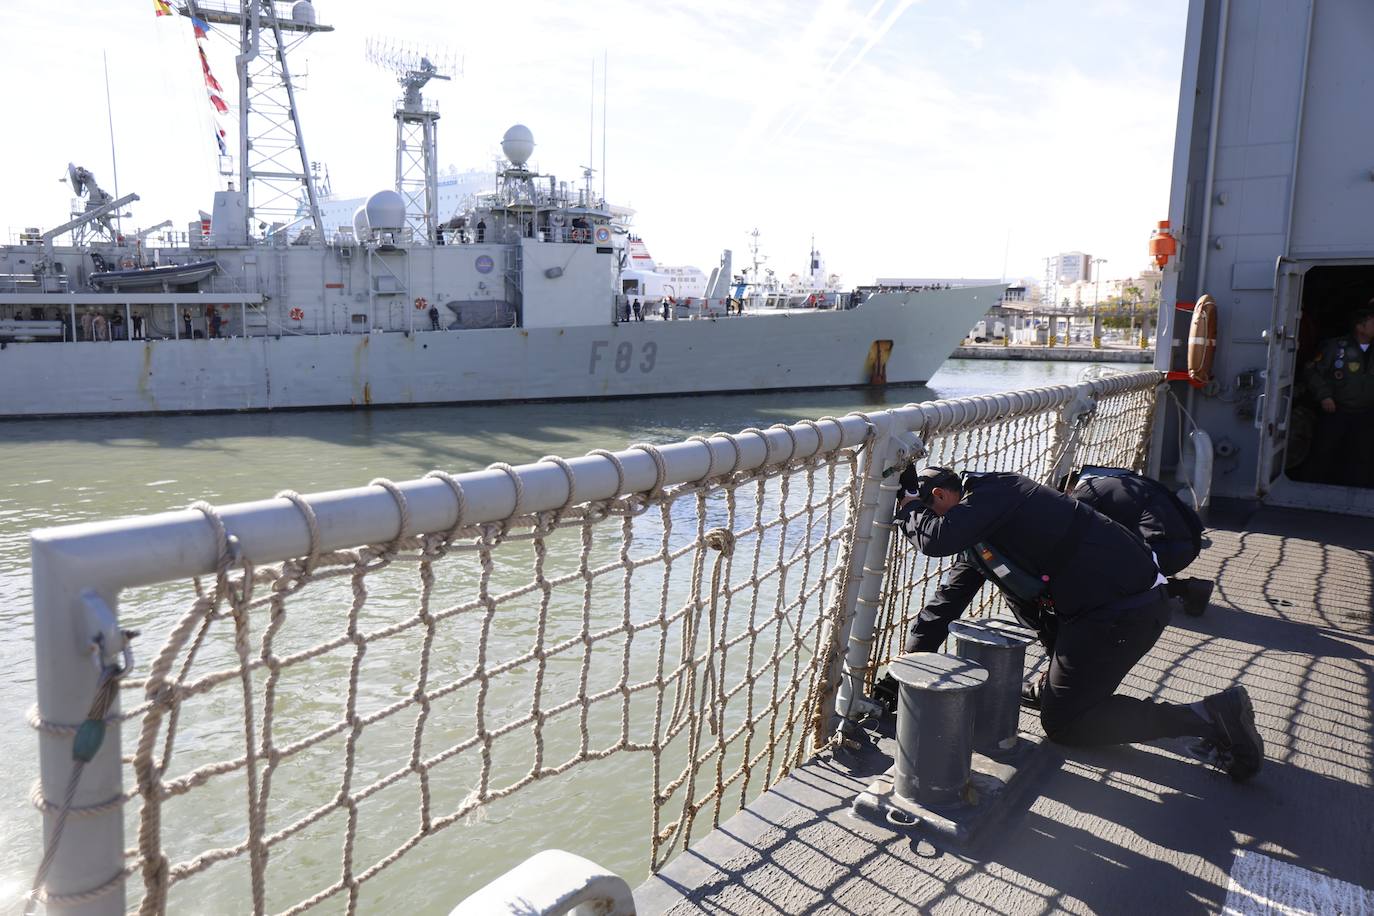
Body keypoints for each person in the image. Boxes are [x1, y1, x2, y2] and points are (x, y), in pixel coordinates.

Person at [890, 465, 1263, 781]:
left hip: (1124, 613)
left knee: (1065, 724)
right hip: (1098, 612)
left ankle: (1206, 716)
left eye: (931, 511)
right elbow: (944, 606)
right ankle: (1058, 689)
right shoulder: (980, 540)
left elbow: (937, 539)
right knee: (1055, 682)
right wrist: (906, 673)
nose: (938, 521)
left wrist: (908, 510)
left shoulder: (999, 490)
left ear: (940, 495)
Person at [1067, 468, 1211, 615]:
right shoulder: (1121, 480)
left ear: (1068, 489)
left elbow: (1072, 538)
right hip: (1189, 545)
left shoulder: (1085, 492)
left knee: (1105, 582)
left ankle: (1185, 589)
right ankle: (1190, 588)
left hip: (1167, 550)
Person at [1300, 303, 1374, 487]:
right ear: (1360, 327)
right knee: (1324, 453)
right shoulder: (1335, 347)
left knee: (1362, 457)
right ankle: (1313, 489)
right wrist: (1324, 395)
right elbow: (1311, 371)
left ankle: (1357, 491)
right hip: (1337, 411)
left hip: (1365, 413)